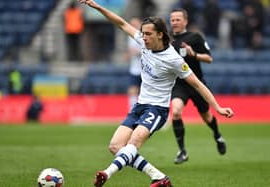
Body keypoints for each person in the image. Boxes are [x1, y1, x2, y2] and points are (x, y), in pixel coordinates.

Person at [78, 1, 234, 187]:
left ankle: (107, 173)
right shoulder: (143, 43)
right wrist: (97, 7)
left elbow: (198, 85)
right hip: (139, 106)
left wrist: (217, 107)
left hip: (157, 110)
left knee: (132, 144)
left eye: (148, 34)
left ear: (160, 34)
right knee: (115, 146)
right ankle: (159, 177)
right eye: (143, 34)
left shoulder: (174, 59)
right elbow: (121, 23)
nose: (143, 38)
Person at [169, 8, 227, 164]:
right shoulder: (167, 39)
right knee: (175, 112)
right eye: (172, 20)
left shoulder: (195, 37)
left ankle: (217, 135)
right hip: (179, 85)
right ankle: (182, 151)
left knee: (207, 116)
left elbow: (209, 59)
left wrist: (193, 54)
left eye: (178, 19)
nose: (174, 22)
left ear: (185, 21)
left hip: (196, 83)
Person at [126, 17, 142, 110]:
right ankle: (132, 111)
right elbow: (130, 52)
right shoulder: (130, 37)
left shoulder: (144, 36)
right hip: (134, 69)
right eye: (131, 24)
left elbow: (149, 52)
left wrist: (137, 52)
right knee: (132, 90)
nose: (133, 26)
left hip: (145, 69)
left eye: (135, 24)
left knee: (148, 92)